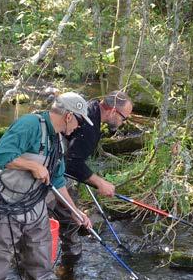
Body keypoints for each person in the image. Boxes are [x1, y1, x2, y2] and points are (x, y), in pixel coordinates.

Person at [0, 92, 93, 280]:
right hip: (3, 209)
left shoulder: (58, 141)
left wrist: (75, 212)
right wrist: (31, 165)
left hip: (35, 209)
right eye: (79, 120)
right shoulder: (30, 125)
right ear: (68, 116)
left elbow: (57, 180)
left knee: (40, 262)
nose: (79, 127)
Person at [49, 91, 134, 257]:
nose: (124, 122)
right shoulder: (90, 127)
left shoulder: (92, 107)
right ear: (112, 111)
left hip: (56, 165)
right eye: (124, 117)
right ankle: (70, 256)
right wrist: (99, 183)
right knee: (70, 218)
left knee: (67, 213)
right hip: (53, 171)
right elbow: (72, 164)